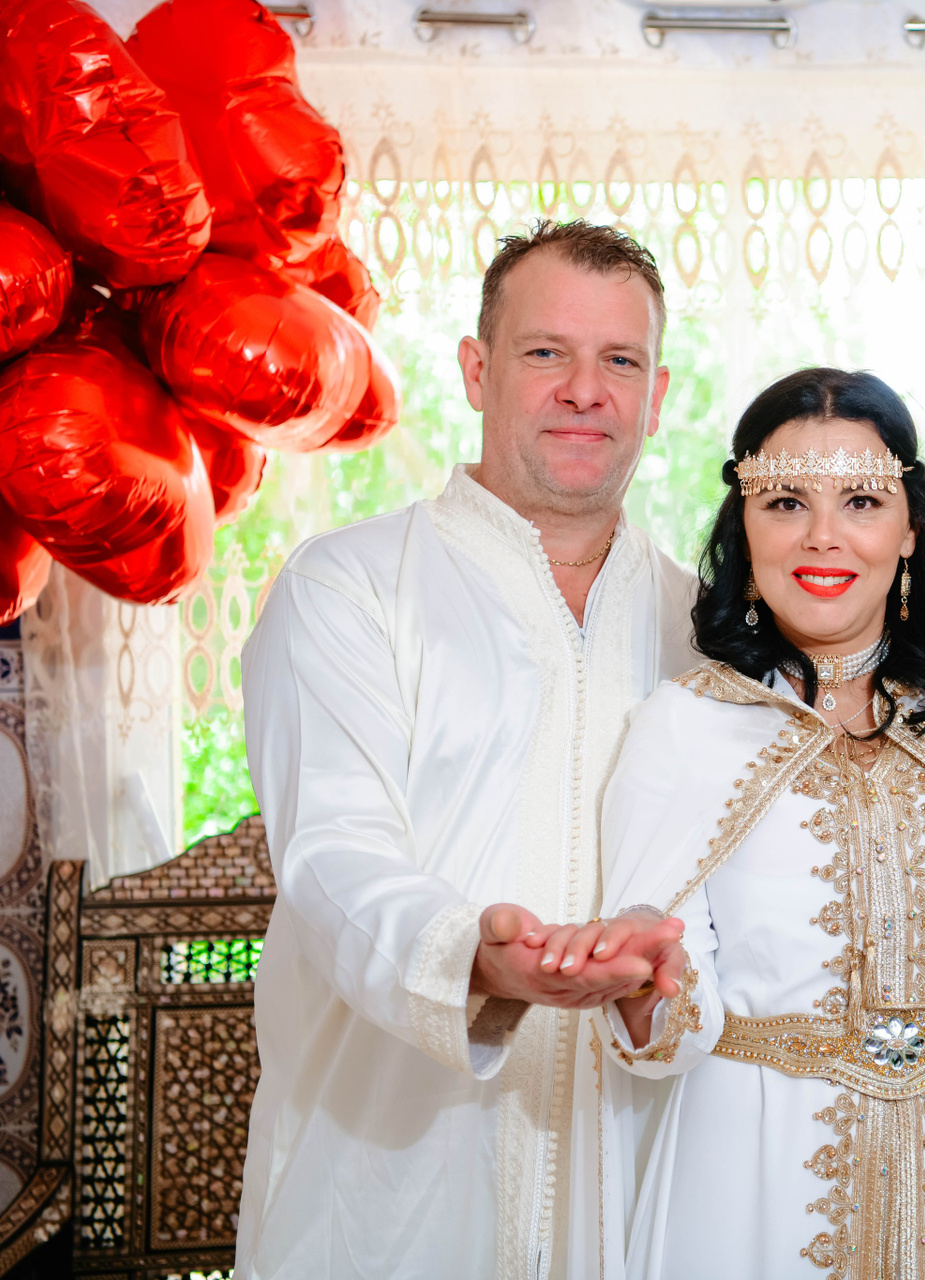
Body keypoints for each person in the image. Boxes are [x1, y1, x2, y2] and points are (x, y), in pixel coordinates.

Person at [578, 367, 925, 1279]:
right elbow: (665, 1020)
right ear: (744, 528)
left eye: (863, 502)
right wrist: (644, 991)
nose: (823, 536)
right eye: (785, 503)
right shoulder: (684, 727)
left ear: (910, 529)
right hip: (751, 1183)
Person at [236, 221, 699, 1280]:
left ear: (658, 395)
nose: (585, 390)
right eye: (546, 352)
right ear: (476, 370)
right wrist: (473, 960)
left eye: (619, 361)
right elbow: (331, 858)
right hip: (389, 1178)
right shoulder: (350, 588)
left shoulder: (706, 625)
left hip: (635, 1187)